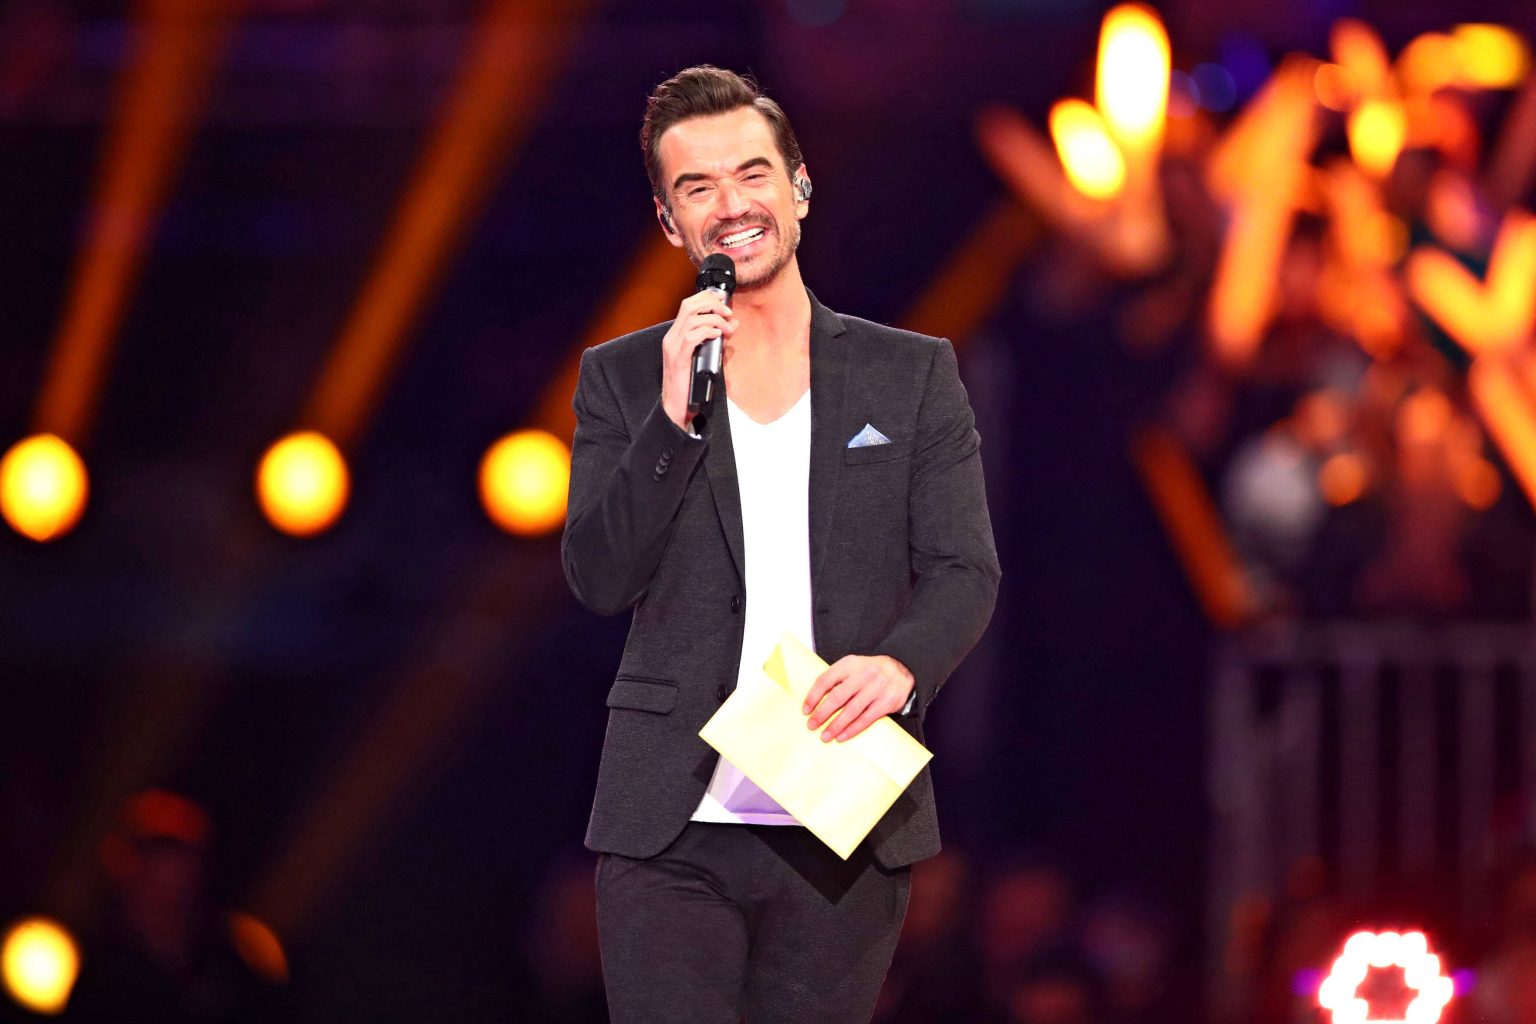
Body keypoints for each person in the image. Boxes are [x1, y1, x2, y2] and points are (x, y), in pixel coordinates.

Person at [561, 64, 1001, 1023]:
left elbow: (965, 569)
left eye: (752, 174)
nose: (732, 206)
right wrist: (672, 419)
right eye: (698, 188)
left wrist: (900, 667)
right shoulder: (625, 379)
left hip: (839, 815)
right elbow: (598, 577)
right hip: (670, 825)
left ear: (798, 187)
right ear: (670, 222)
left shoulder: (910, 374)